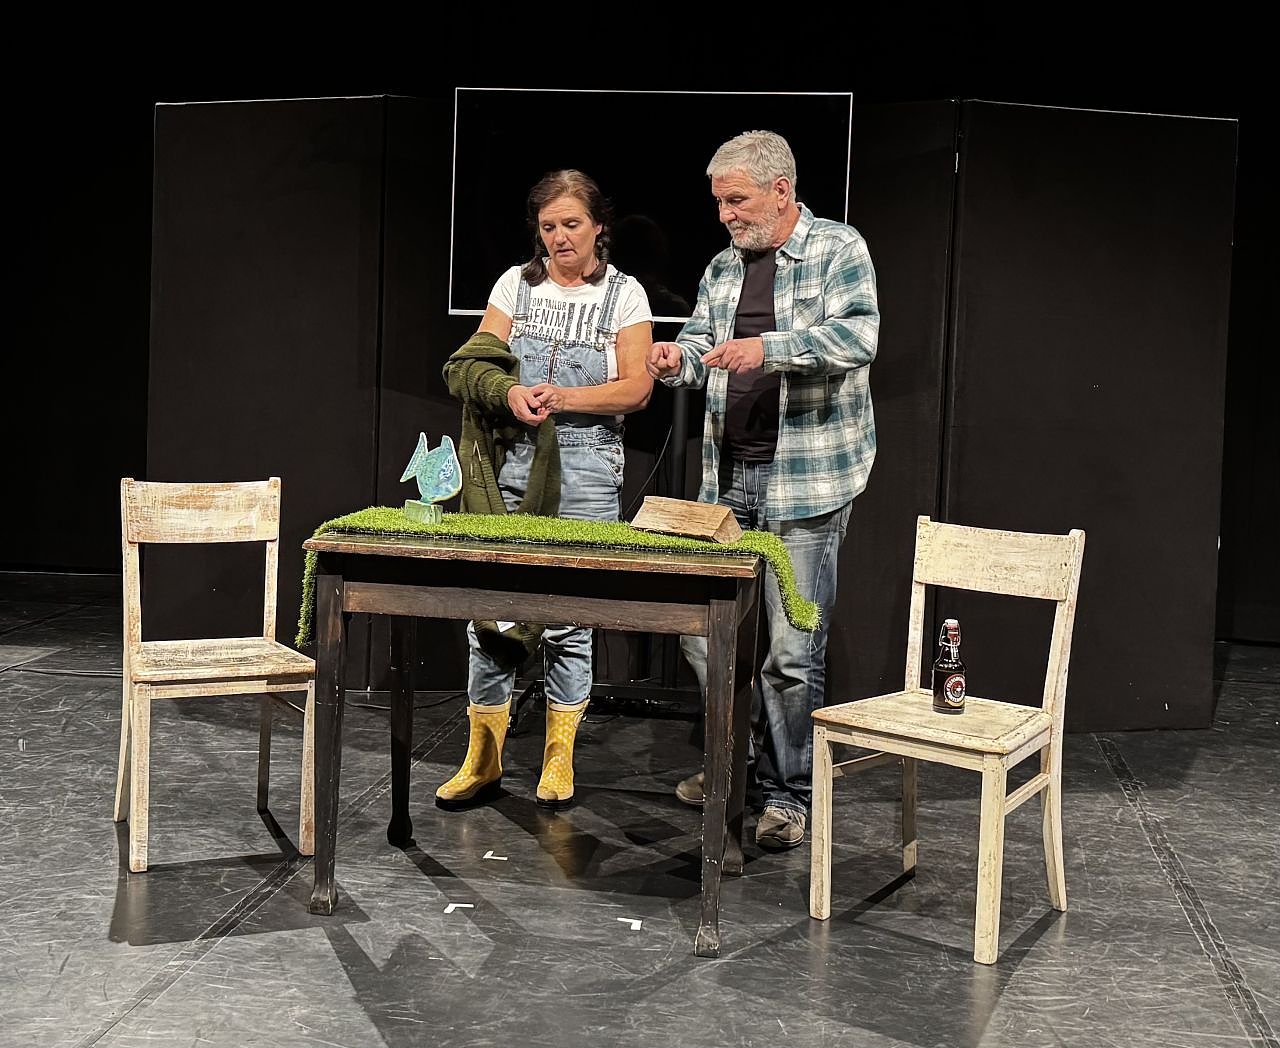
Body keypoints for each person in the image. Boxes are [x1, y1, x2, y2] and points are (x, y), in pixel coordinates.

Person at [646, 130, 879, 850]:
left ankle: (788, 795)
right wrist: (674, 359)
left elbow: (858, 338)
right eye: (719, 202)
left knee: (790, 652)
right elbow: (701, 347)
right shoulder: (723, 266)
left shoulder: (838, 249)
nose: (724, 215)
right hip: (727, 480)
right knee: (705, 636)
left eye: (736, 201)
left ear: (781, 192)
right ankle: (734, 766)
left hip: (805, 481)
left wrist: (769, 349)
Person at [439, 169, 654, 812]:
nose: (560, 237)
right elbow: (476, 361)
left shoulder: (625, 294)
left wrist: (563, 397)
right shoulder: (516, 285)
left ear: (598, 227)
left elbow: (636, 388)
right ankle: (483, 758)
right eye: (549, 226)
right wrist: (509, 392)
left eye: (572, 225)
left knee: (569, 616)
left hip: (587, 464)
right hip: (512, 461)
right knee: (493, 610)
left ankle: (559, 758)